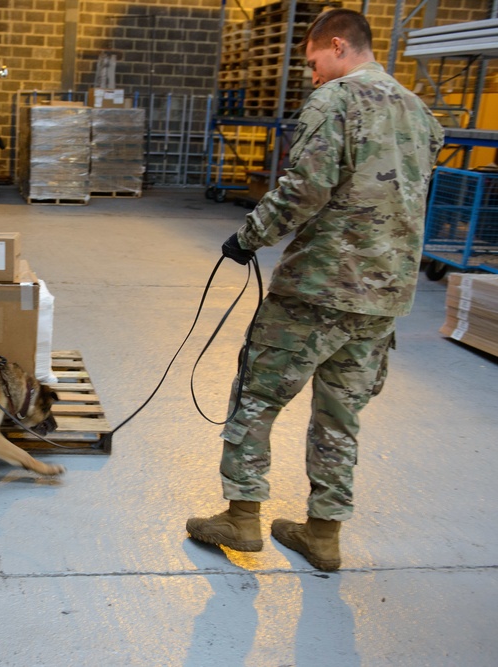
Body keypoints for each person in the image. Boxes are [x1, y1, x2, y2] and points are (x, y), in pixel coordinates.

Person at [186, 8, 444, 571]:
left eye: (313, 62)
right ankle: (323, 534)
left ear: (337, 45)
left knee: (257, 395)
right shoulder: (421, 113)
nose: (312, 75)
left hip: (320, 287)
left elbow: (306, 187)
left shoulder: (338, 101)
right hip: (385, 298)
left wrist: (249, 237)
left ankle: (242, 517)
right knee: (339, 414)